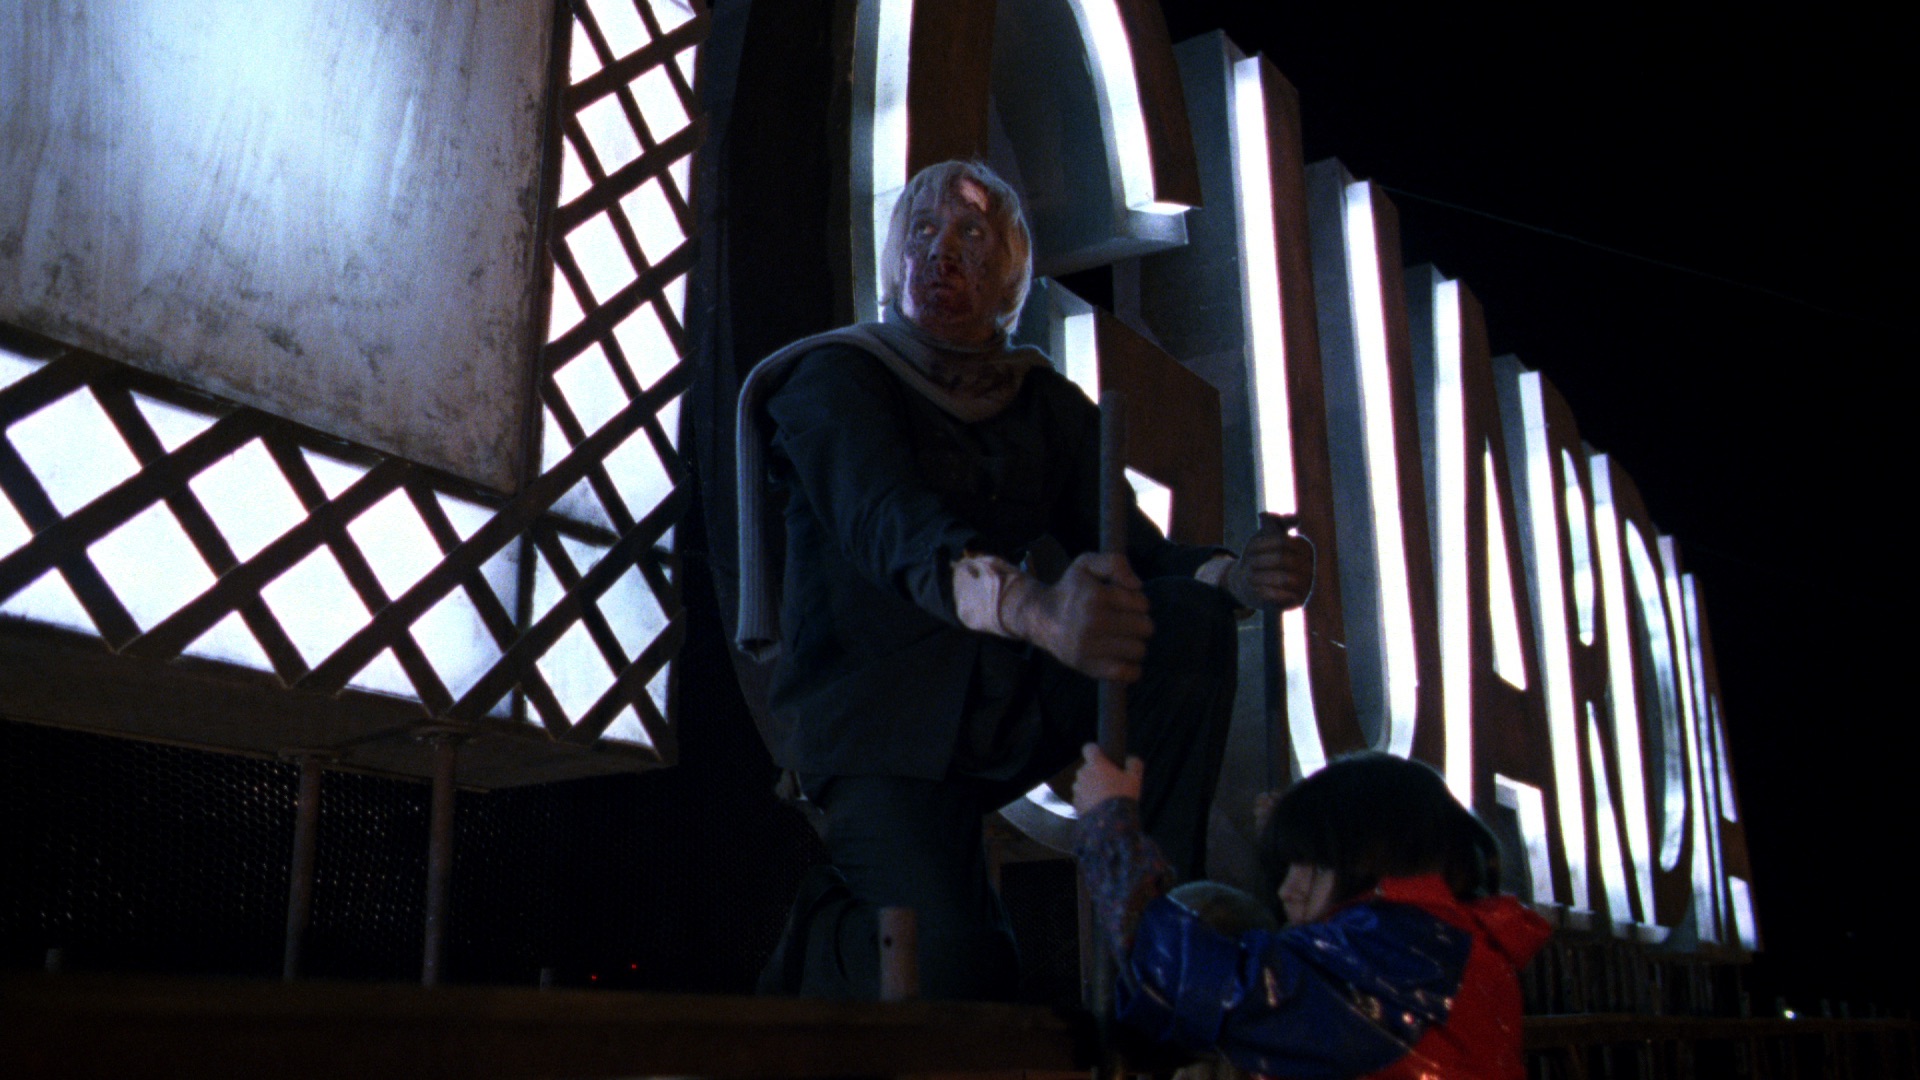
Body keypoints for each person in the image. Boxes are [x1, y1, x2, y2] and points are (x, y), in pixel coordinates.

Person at [736, 160, 1313, 1000]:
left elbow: (1140, 555)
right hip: (880, 731)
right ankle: (816, 942)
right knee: (958, 972)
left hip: (997, 711)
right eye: (923, 231)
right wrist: (1038, 610)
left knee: (1186, 621)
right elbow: (893, 528)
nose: (942, 252)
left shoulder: (1039, 399)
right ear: (897, 256)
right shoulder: (836, 379)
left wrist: (1240, 580)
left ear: (1009, 270)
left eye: (971, 233)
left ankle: (1157, 953)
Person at [1073, 748, 1553, 1079]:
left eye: (1313, 865)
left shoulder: (1405, 960)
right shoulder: (1450, 947)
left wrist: (1109, 827)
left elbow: (1203, 984)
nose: (1287, 890)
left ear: (1371, 854)